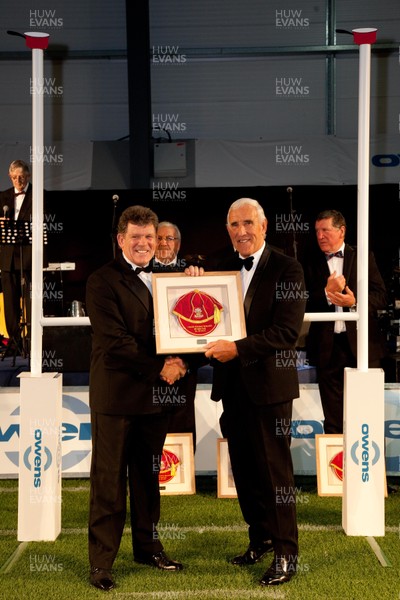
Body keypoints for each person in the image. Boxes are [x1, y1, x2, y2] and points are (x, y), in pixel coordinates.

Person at [86, 205, 200, 592]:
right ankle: (101, 563)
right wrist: (162, 368)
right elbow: (115, 344)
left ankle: (148, 547)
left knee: (148, 479)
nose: (143, 243)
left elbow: (189, 325)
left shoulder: (170, 277)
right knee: (109, 482)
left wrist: (196, 282)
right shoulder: (101, 281)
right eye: (135, 236)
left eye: (150, 237)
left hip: (155, 400)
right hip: (117, 398)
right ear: (121, 240)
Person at [204, 197, 306, 586]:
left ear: (264, 227)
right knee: (244, 471)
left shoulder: (288, 268)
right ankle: (260, 538)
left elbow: (286, 333)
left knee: (275, 474)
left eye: (248, 223)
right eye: (234, 225)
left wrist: (238, 349)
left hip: (269, 387)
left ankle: (286, 554)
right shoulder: (219, 265)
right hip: (233, 387)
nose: (241, 231)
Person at [303, 209, 387, 434]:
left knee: (366, 413)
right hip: (326, 347)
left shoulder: (362, 256)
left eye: (325, 230)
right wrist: (325, 292)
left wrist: (355, 301)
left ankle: (367, 465)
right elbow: (300, 301)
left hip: (362, 345)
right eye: (317, 231)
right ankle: (336, 467)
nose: (320, 236)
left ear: (341, 231)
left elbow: (381, 296)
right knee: (332, 418)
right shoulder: (308, 261)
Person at [0, 160, 34, 351]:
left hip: (29, 255)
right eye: (14, 177)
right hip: (8, 257)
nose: (18, 180)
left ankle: (33, 339)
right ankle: (14, 341)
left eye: (21, 177)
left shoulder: (38, 195)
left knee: (30, 298)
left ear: (27, 176)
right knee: (10, 300)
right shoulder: (3, 197)